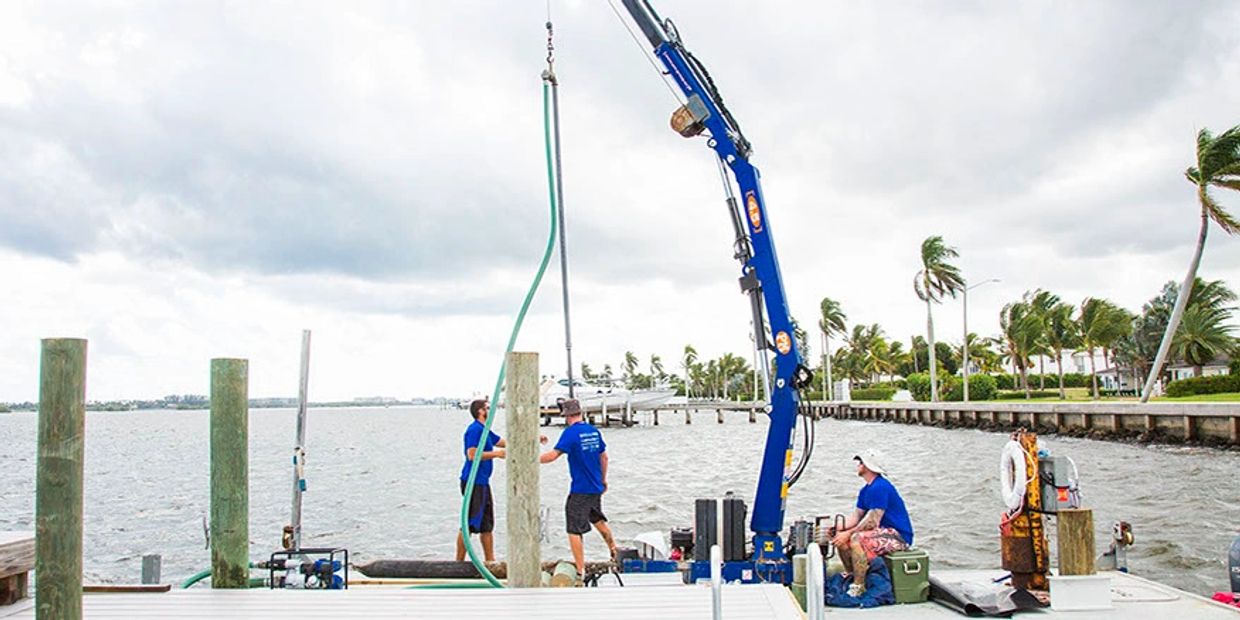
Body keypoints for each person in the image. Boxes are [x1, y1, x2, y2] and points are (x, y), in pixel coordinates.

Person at [539, 399, 617, 579]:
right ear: (580, 413)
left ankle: (580, 570)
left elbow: (553, 455)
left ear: (566, 416)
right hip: (595, 486)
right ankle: (614, 549)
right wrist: (603, 480)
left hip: (580, 488)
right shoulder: (593, 431)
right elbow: (604, 457)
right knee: (597, 520)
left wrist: (530, 459)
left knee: (574, 530)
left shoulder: (570, 433)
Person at [830, 448, 914, 597]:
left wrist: (848, 533)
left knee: (856, 538)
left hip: (899, 536)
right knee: (841, 540)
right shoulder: (866, 490)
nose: (858, 465)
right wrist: (835, 528)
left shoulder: (880, 487)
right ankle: (852, 574)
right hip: (883, 533)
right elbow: (856, 517)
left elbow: (872, 522)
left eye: (860, 462)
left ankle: (859, 585)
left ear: (868, 466)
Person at [456, 398, 505, 562]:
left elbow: (502, 442)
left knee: (487, 525)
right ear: (481, 412)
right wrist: (496, 454)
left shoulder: (485, 430)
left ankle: (490, 562)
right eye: (488, 408)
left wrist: (531, 440)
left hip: (483, 482)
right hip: (473, 482)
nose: (491, 411)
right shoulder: (475, 430)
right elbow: (472, 454)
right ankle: (459, 563)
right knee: (469, 523)